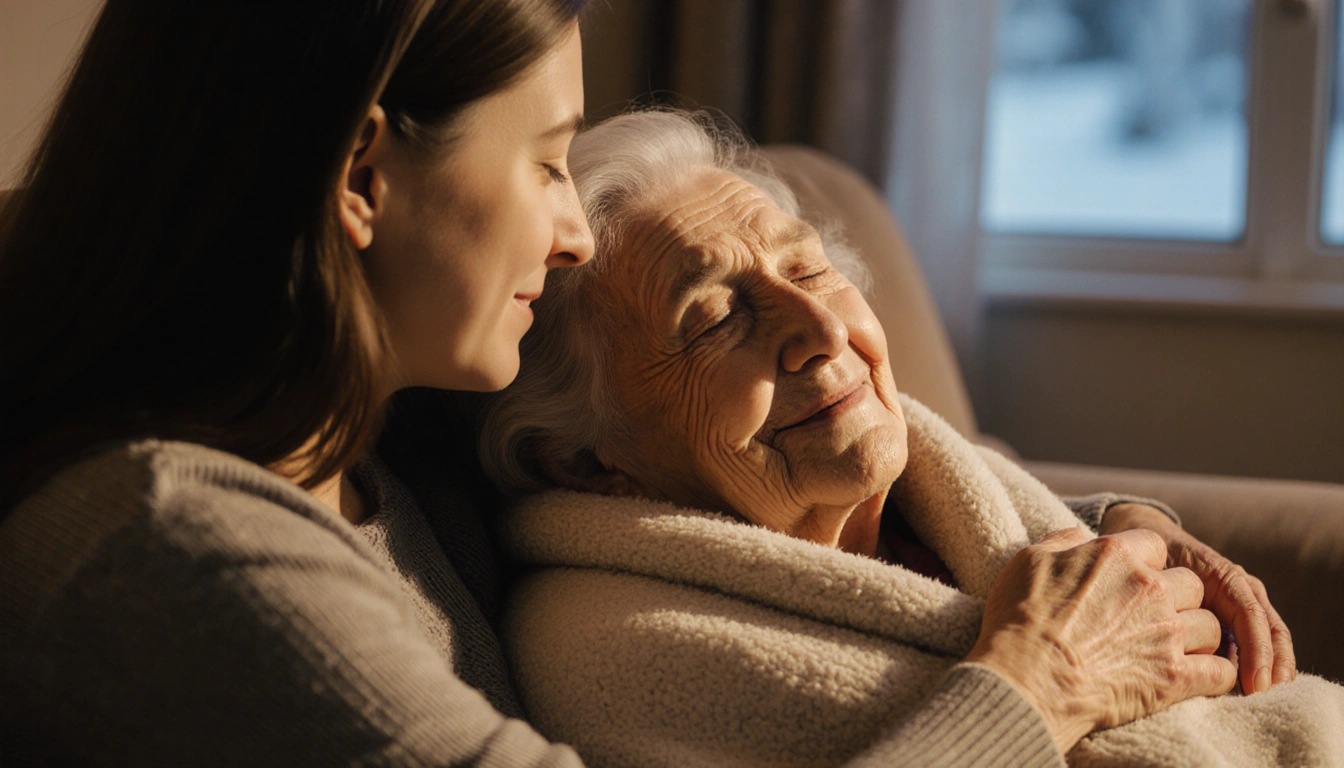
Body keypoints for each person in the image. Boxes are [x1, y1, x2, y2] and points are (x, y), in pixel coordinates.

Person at [477, 110, 1320, 766]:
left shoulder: (939, 491)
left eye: (807, 269)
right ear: (590, 460)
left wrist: (1130, 519)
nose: (819, 328)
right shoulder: (617, 656)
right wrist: (1045, 678)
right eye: (716, 316)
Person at [0, 1, 598, 764]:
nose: (577, 239)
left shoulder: (386, 466)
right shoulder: (175, 559)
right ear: (360, 176)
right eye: (548, 164)